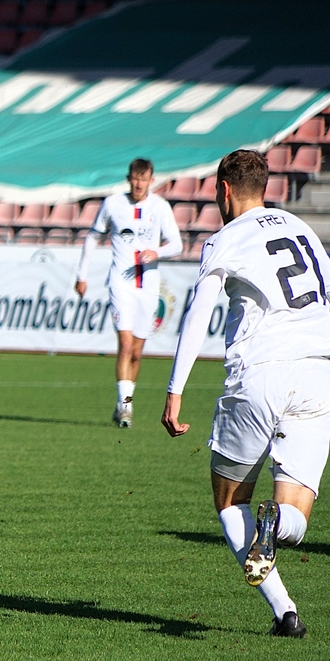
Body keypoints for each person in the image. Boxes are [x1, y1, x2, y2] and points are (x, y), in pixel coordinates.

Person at [161, 149, 330, 638]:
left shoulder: (226, 238)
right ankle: (276, 533)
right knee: (295, 517)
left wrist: (175, 389)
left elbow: (198, 312)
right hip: (319, 375)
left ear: (224, 189)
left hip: (261, 373)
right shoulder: (302, 229)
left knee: (231, 500)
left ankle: (284, 610)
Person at [75, 158, 181, 427]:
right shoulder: (113, 204)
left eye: (143, 179)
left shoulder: (160, 207)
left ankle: (124, 402)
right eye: (135, 178)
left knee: (136, 352)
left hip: (148, 286)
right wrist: (82, 274)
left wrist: (157, 252)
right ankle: (125, 408)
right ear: (128, 179)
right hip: (120, 284)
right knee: (124, 344)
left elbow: (177, 244)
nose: (138, 184)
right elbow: (93, 236)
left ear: (151, 181)